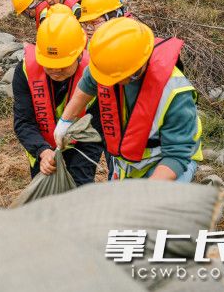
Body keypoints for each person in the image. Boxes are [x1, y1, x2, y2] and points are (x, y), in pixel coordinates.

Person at [55, 18, 203, 181]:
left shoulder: (176, 93)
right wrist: (65, 121)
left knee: (156, 205)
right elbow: (89, 81)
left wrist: (145, 191)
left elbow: (177, 155)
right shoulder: (109, 64)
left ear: (135, 72)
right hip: (129, 162)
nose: (105, 82)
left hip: (167, 162)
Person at [12, 10, 102, 184]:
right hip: (41, 146)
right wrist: (42, 151)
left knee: (78, 189)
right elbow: (23, 122)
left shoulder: (95, 74)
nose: (56, 71)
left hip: (82, 146)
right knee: (46, 198)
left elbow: (97, 129)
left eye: (63, 65)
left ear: (79, 54)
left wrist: (80, 174)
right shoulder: (25, 71)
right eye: (50, 65)